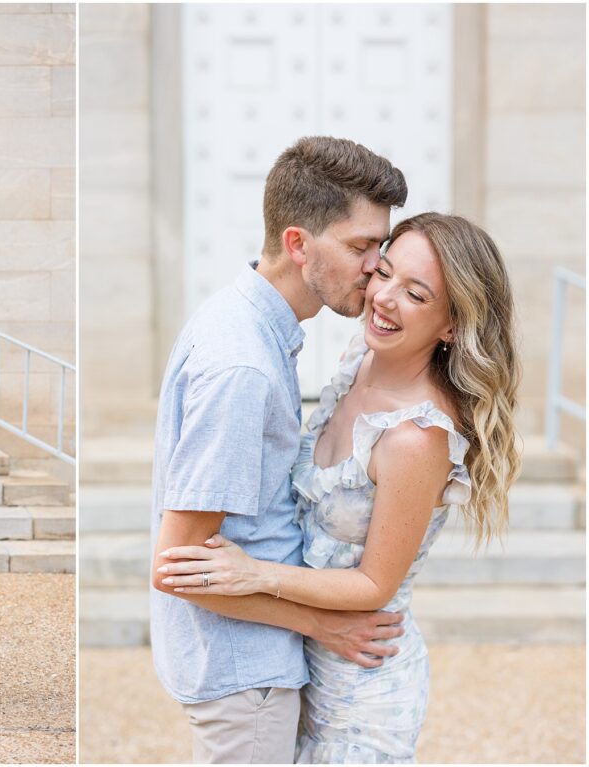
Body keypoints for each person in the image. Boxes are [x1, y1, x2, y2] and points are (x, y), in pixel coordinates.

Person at [158, 212, 519, 762]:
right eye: (385, 272)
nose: (385, 297)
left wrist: (253, 573)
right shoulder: (359, 362)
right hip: (305, 653)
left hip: (362, 682)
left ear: (451, 325)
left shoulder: (415, 437)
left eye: (416, 294)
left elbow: (374, 584)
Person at [150, 136, 410, 764]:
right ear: (298, 244)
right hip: (247, 674)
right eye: (359, 247)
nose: (376, 266)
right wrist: (321, 624)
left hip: (249, 663)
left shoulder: (244, 323)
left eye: (381, 246)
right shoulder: (243, 365)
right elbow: (176, 565)